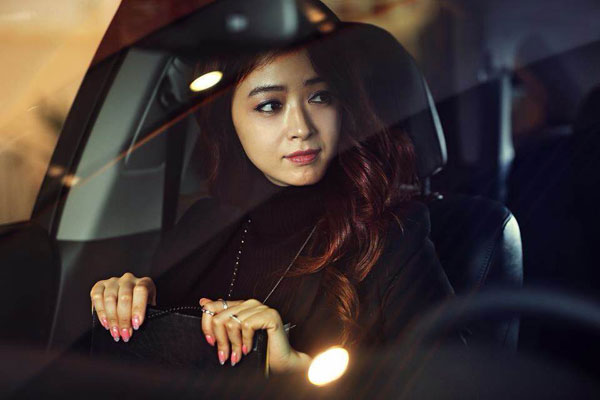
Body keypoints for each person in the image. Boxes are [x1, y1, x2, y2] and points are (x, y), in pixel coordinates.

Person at [89, 23, 453, 374]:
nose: (302, 128)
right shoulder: (201, 226)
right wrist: (132, 305)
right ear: (227, 119)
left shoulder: (390, 236)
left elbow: (452, 381)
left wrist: (297, 370)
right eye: (269, 105)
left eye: (319, 97)